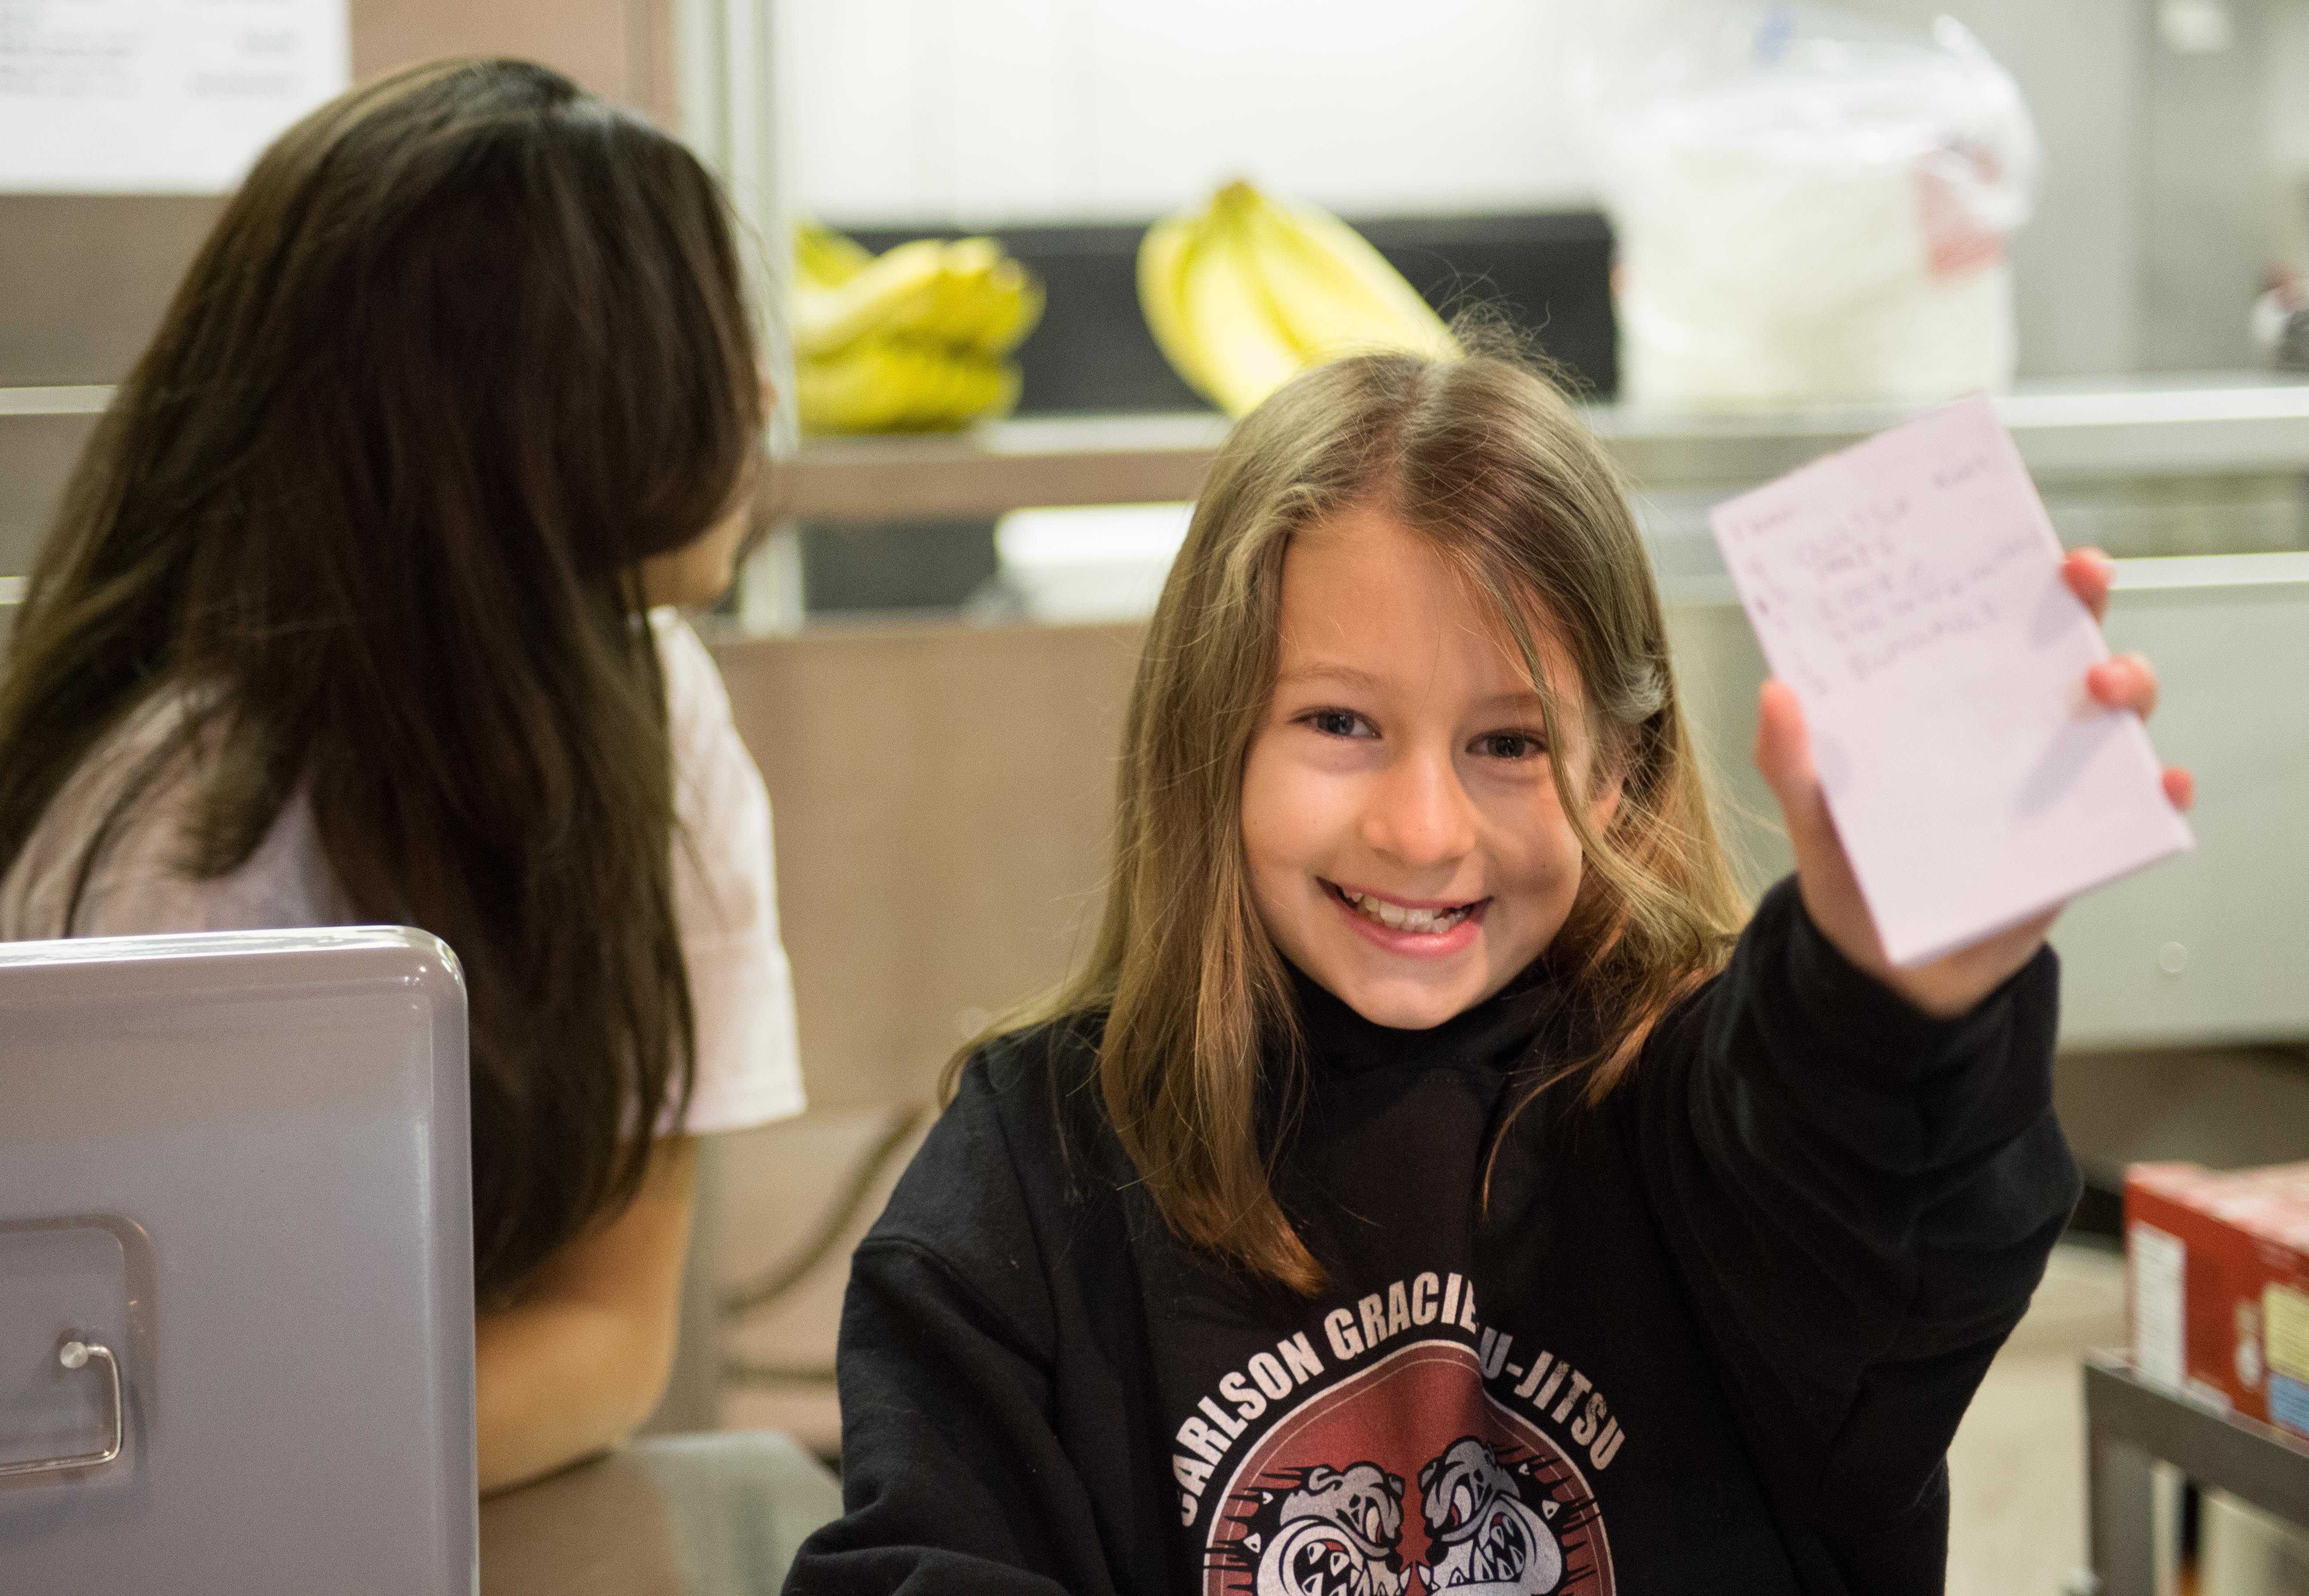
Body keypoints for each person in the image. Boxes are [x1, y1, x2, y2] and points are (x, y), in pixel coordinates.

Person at [786, 350, 2191, 1593]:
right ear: (1209, 733)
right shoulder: (1030, 1172)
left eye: (1510, 744)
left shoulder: (1697, 1122)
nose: (1423, 831)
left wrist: (1892, 975)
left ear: (1620, 769)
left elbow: (1863, 1167)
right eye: (1340, 723)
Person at [0, 59, 801, 1494]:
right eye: (692, 351)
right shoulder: (185, 844)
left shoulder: (654, 700)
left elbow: (610, 1331)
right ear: (530, 420)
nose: (758, 400)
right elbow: (173, 1453)